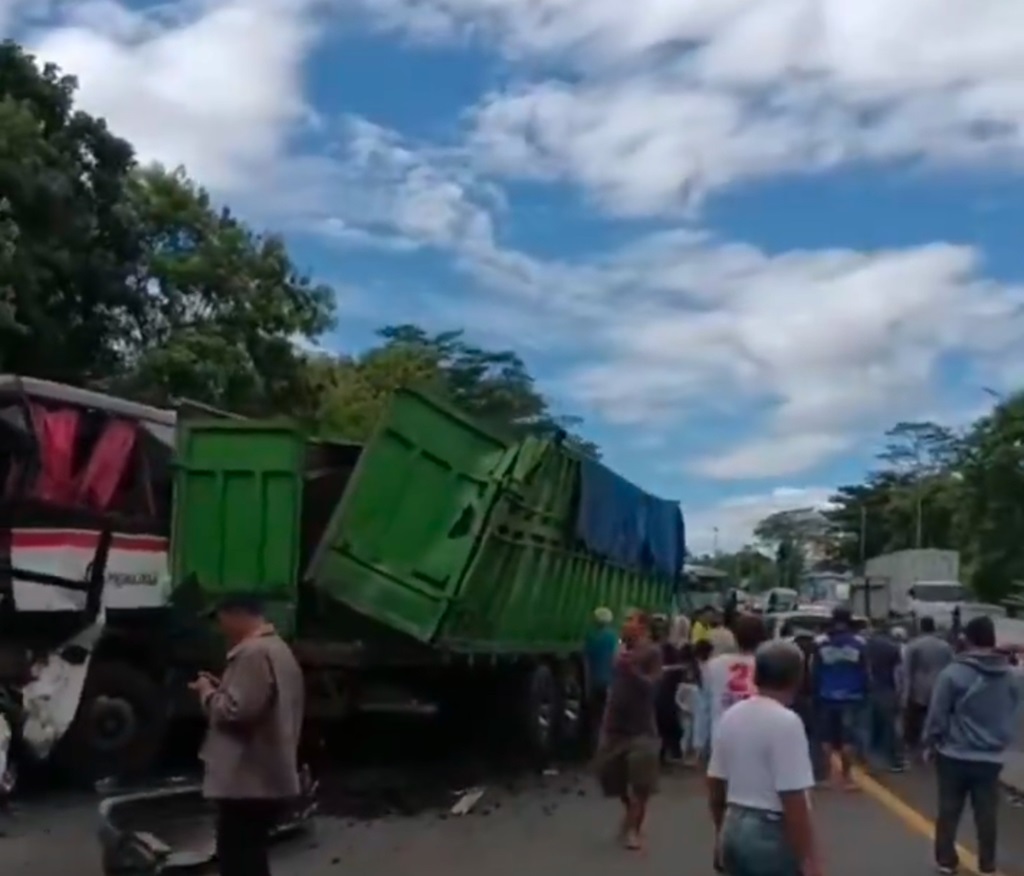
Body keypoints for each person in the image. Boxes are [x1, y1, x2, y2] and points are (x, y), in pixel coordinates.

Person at [191, 595, 305, 876]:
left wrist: (206, 693)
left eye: (220, 617)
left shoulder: (253, 653)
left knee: (239, 858)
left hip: (248, 780)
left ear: (236, 614)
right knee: (251, 855)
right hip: (265, 776)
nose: (220, 627)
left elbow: (235, 712)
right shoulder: (277, 649)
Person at [706, 640, 823, 876]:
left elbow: (715, 782)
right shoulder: (787, 722)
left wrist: (721, 833)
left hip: (734, 823)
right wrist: (809, 861)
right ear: (798, 677)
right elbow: (793, 798)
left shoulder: (732, 715)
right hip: (769, 832)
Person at [923, 616, 1020, 876]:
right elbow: (1014, 709)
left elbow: (937, 716)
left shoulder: (952, 673)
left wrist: (930, 743)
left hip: (953, 754)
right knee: (987, 814)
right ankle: (987, 865)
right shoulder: (1011, 676)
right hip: (991, 757)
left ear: (967, 639)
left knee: (949, 810)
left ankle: (946, 861)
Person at [594, 609, 663, 851]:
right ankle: (630, 815)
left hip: (642, 728)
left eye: (629, 620)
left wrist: (632, 670)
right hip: (615, 727)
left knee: (641, 784)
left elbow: (652, 686)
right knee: (611, 778)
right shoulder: (619, 649)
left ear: (642, 626)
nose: (624, 624)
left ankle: (633, 830)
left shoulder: (652, 652)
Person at [693, 614, 766, 760]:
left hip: (721, 738)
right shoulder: (767, 665)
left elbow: (704, 707)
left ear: (734, 636)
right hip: (758, 740)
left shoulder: (714, 665)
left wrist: (699, 743)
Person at [814, 606, 868, 790]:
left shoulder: (822, 644)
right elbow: (866, 671)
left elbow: (815, 671)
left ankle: (827, 776)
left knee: (827, 738)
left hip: (826, 695)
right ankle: (847, 778)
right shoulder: (859, 644)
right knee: (848, 739)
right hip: (852, 697)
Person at [902, 616, 953, 754]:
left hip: (918, 688)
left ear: (921, 627)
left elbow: (907, 671)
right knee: (937, 717)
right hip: (940, 685)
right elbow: (951, 666)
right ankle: (935, 743)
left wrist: (905, 694)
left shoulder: (914, 645)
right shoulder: (945, 646)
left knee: (914, 719)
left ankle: (912, 746)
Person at [864, 624, 905, 772]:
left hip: (868, 690)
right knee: (890, 727)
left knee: (868, 727)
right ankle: (894, 761)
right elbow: (898, 672)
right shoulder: (893, 648)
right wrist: (900, 692)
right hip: (887, 689)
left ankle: (868, 761)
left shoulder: (865, 645)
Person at [584, 607, 619, 751]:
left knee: (595, 717)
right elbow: (616, 660)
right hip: (609, 683)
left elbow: (586, 661)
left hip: (594, 682)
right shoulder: (613, 638)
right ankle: (605, 749)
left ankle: (594, 747)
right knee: (608, 718)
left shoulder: (590, 638)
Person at [652, 614, 684, 763]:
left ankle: (666, 751)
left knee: (667, 720)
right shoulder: (648, 648)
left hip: (665, 692)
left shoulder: (671, 649)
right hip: (651, 691)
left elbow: (679, 669)